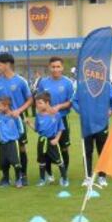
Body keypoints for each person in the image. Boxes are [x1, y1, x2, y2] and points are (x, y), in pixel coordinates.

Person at [0, 52, 33, 185]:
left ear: (7, 65)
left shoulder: (20, 81)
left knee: (21, 147)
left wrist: (19, 110)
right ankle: (5, 177)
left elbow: (30, 100)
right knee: (4, 146)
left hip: (17, 119)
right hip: (2, 120)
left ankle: (23, 175)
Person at [35, 56, 75, 186]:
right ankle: (49, 174)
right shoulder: (43, 83)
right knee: (45, 149)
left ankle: (64, 174)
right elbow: (39, 100)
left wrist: (58, 107)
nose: (55, 69)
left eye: (58, 66)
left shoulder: (68, 83)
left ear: (62, 67)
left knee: (64, 148)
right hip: (46, 120)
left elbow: (71, 102)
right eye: (53, 67)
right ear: (49, 67)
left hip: (61, 118)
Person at [78, 81, 112, 188]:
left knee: (102, 150)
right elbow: (74, 101)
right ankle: (88, 177)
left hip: (101, 124)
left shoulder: (106, 85)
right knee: (87, 151)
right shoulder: (83, 85)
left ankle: (102, 176)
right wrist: (82, 112)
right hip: (87, 125)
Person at [29, 91, 66, 186]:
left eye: (40, 103)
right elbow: (37, 129)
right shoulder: (38, 116)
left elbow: (61, 128)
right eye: (36, 103)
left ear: (47, 103)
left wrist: (57, 139)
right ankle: (43, 179)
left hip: (52, 141)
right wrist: (29, 124)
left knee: (58, 160)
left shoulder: (55, 114)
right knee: (42, 161)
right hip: (42, 141)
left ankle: (64, 178)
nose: (37, 105)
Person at [0, 96, 24, 187]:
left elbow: (21, 130)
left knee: (15, 162)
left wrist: (13, 136)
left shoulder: (15, 116)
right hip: (2, 143)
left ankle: (18, 179)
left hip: (12, 143)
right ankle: (6, 180)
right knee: (3, 163)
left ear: (6, 106)